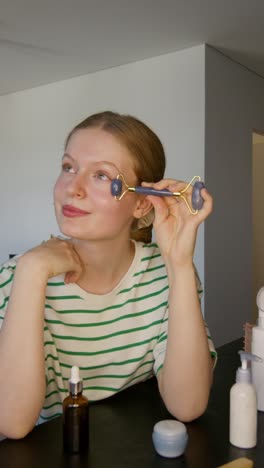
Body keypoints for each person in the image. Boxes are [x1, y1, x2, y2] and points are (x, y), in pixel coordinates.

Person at [0, 111, 216, 440]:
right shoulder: (17, 278)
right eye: (68, 167)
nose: (73, 188)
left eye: (101, 175)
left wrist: (180, 263)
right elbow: (11, 423)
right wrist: (30, 273)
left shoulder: (164, 275)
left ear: (142, 204)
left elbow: (187, 405)